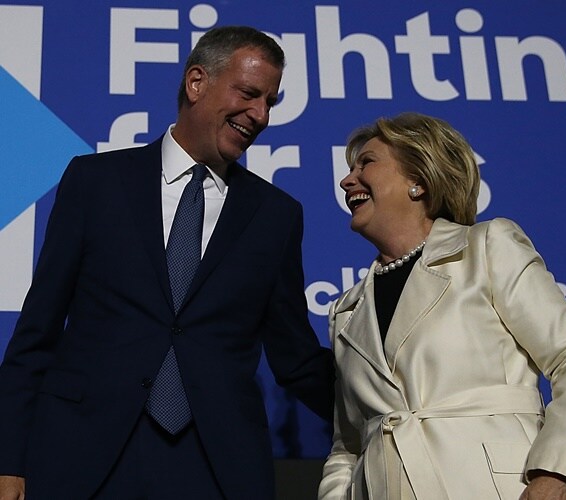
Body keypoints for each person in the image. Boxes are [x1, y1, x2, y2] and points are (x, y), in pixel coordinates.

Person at [0, 26, 334, 499]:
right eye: (249, 94)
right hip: (83, 455)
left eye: (270, 103)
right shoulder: (95, 182)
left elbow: (296, 358)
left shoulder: (276, 216)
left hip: (214, 467)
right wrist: (7, 459)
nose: (259, 115)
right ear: (197, 82)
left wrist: (393, 411)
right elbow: (36, 333)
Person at [318, 112, 566, 500]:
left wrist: (560, 472)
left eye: (366, 162)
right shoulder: (346, 312)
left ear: (418, 179)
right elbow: (347, 446)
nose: (346, 180)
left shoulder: (487, 247)